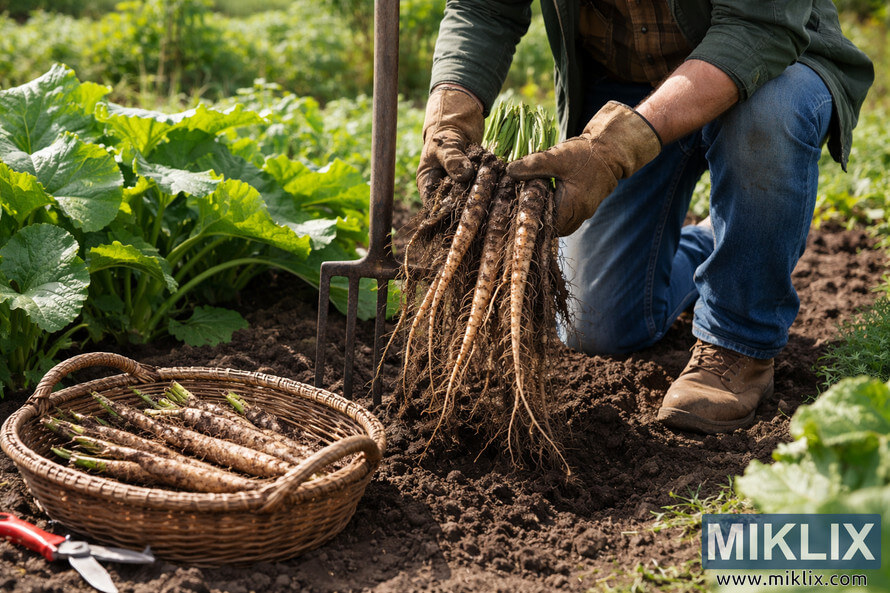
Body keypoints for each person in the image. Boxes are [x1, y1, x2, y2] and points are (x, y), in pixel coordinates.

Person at [416, 1, 874, 434]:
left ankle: (739, 343)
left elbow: (759, 27)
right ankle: (720, 240)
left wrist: (616, 149)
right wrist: (449, 112)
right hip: (627, 90)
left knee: (769, 116)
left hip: (769, 65)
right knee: (594, 324)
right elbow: (484, 8)